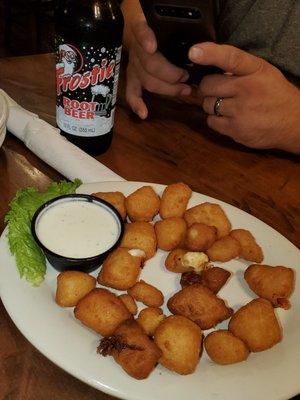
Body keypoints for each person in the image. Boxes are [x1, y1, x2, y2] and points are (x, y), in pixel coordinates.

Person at [121, 0, 300, 154]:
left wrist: (293, 123)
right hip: (174, 122)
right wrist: (138, 34)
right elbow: (131, 6)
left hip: (275, 175)